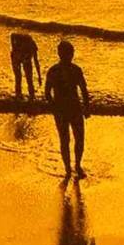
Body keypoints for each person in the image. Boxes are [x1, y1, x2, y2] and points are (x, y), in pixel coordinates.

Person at [44, 40, 90, 179]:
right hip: (64, 110)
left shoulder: (75, 70)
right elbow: (47, 92)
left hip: (73, 109)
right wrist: (54, 108)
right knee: (66, 140)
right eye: (67, 52)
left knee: (78, 139)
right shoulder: (55, 71)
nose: (69, 55)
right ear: (60, 53)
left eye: (70, 52)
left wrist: (86, 107)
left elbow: (84, 90)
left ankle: (76, 166)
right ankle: (69, 169)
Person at [10, 33, 41, 101]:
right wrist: (13, 46)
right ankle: (18, 95)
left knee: (29, 77)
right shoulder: (17, 45)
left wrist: (39, 76)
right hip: (16, 56)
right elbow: (12, 35)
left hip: (25, 57)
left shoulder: (32, 46)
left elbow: (36, 61)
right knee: (18, 77)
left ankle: (31, 95)